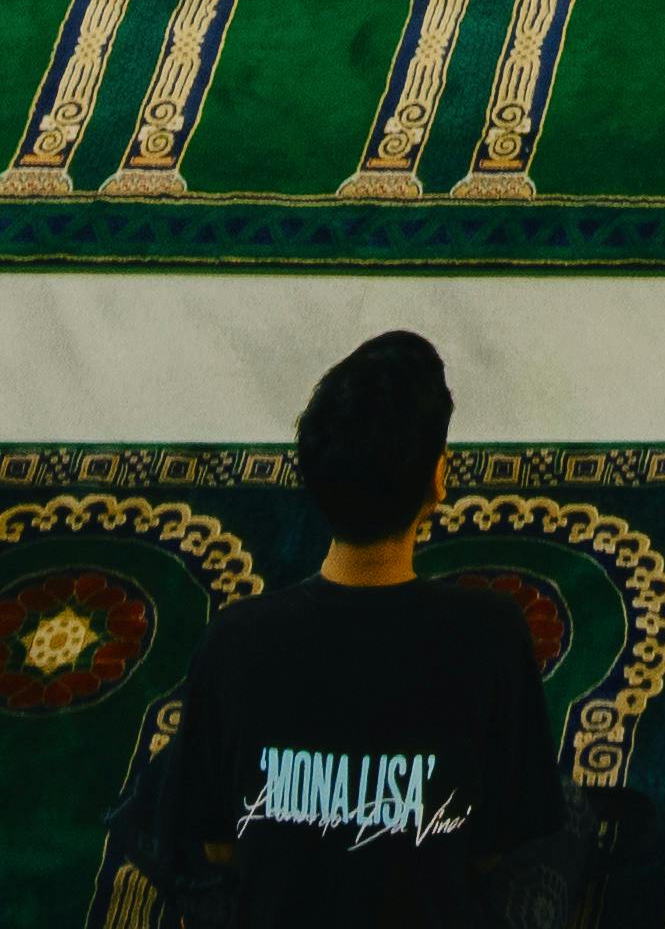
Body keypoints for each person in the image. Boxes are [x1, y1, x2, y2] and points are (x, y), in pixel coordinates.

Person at [137, 340, 564, 918]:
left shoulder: (235, 640)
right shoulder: (489, 634)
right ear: (438, 480)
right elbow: (493, 851)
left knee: (162, 786)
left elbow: (215, 847)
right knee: (571, 816)